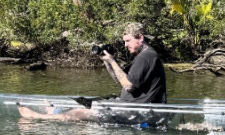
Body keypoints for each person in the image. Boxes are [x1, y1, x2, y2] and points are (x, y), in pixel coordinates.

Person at [17, 22, 167, 125]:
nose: (125, 45)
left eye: (128, 41)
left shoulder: (145, 57)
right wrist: (107, 61)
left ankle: (36, 117)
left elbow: (128, 86)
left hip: (134, 111)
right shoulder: (146, 56)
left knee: (79, 114)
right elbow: (119, 80)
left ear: (140, 37)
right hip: (129, 107)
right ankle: (55, 111)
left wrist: (113, 61)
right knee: (85, 111)